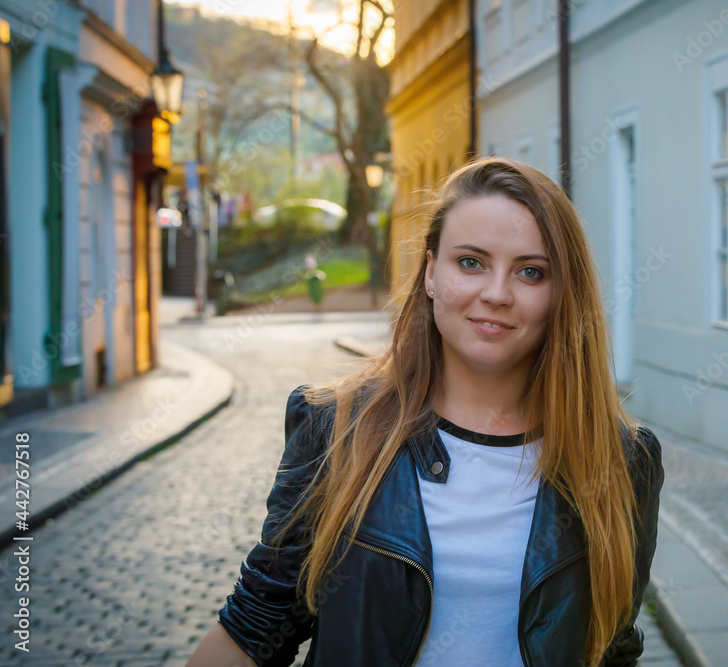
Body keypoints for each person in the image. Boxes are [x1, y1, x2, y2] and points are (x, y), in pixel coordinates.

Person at [186, 157, 664, 667]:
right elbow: (258, 623)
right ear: (431, 272)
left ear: (561, 293)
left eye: (530, 271)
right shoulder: (337, 431)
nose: (496, 294)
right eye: (471, 262)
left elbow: (612, 645)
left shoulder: (620, 461)